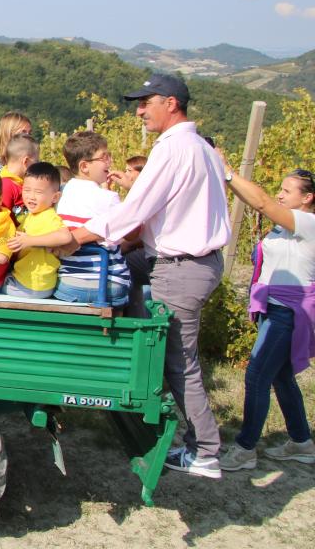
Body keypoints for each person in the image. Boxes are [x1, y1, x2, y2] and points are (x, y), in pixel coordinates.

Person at [69, 73, 230, 478]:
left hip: (181, 266)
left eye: (146, 102)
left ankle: (205, 450)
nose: (139, 111)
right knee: (118, 272)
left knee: (179, 360)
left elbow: (134, 210)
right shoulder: (203, 147)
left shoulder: (173, 149)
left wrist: (76, 237)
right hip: (185, 259)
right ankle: (112, 366)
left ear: (171, 103)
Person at [218, 168, 315, 471]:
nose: (280, 195)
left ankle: (246, 448)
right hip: (272, 307)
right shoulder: (283, 228)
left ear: (308, 197)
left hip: (288, 313)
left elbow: (261, 203)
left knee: (257, 375)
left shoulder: (309, 223)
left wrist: (228, 174)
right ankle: (301, 442)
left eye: (288, 191)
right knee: (281, 376)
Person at [54, 131, 132, 306]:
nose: (110, 161)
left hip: (68, 284)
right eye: (104, 157)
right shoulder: (108, 198)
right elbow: (132, 233)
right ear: (84, 166)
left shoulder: (60, 193)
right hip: (108, 286)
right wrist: (131, 189)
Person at [4, 162, 71, 299]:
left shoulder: (49, 217)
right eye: (27, 190)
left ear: (55, 197)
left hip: (31, 285)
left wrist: (30, 240)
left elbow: (65, 236)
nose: (31, 196)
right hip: (32, 282)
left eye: (38, 192)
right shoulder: (28, 217)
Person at [0, 133, 39, 222]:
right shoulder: (6, 186)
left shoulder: (19, 182)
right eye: (36, 161)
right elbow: (2, 220)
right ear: (26, 161)